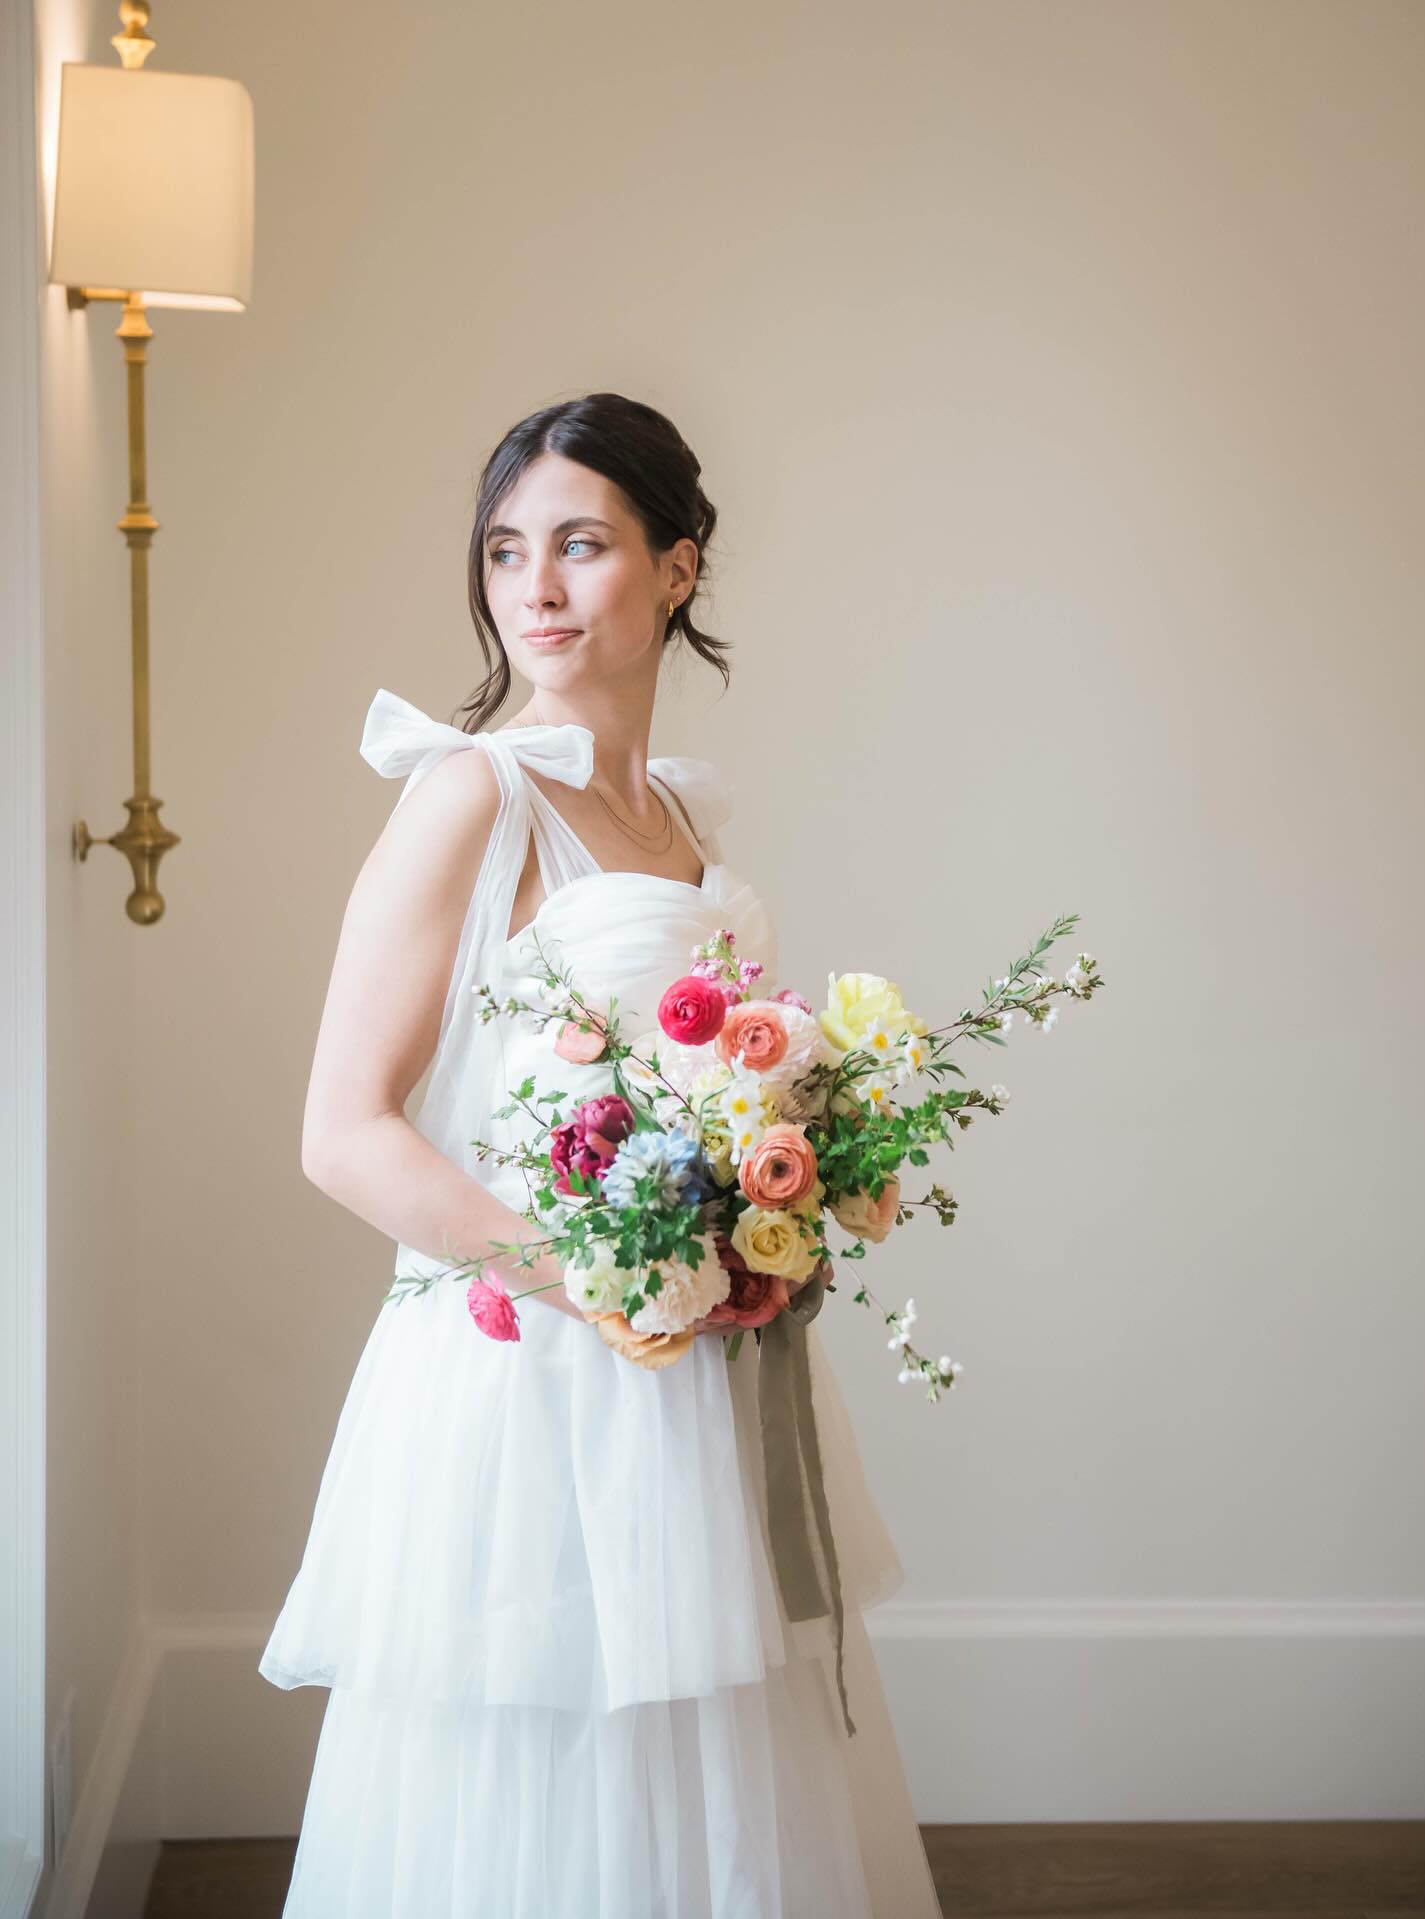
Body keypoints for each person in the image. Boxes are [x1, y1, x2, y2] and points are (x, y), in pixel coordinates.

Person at [259, 392, 944, 1917]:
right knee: (543, 1774)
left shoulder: (682, 819)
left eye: (582, 544)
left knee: (720, 1774)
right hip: (538, 1376)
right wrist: (595, 1276)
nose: (536, 588)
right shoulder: (470, 796)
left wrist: (796, 1188)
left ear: (678, 571)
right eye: (507, 552)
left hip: (703, 1382)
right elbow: (341, 1131)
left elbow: (715, 1097)